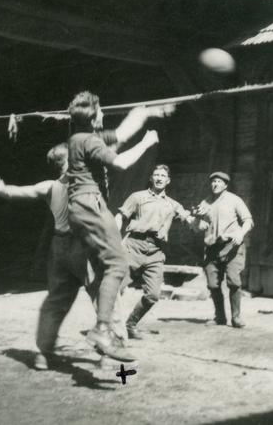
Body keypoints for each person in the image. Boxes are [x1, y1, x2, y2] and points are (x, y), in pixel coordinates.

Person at [66, 91, 175, 361]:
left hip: (80, 208)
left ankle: (107, 337)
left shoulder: (80, 138)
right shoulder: (89, 140)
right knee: (117, 266)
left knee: (105, 274)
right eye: (100, 111)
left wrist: (146, 111)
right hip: (91, 205)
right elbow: (122, 161)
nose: (103, 114)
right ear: (92, 119)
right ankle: (104, 330)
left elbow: (121, 134)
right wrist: (147, 143)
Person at [0, 143, 100, 370]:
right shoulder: (83, 184)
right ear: (70, 162)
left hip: (59, 247)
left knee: (55, 301)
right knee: (104, 294)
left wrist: (0, 189)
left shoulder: (48, 186)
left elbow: (20, 191)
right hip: (83, 245)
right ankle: (108, 352)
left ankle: (43, 353)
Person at [115, 164, 194, 339]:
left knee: (152, 295)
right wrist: (114, 230)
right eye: (156, 175)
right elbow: (121, 215)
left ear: (168, 180)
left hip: (156, 251)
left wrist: (195, 218)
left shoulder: (173, 204)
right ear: (151, 178)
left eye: (162, 176)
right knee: (115, 290)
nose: (159, 178)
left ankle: (131, 325)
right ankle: (107, 328)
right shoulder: (138, 197)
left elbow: (189, 219)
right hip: (133, 246)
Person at [193, 172, 253, 328]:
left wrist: (240, 233)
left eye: (219, 181)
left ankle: (236, 317)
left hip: (232, 246)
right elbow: (197, 228)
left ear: (225, 185)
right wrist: (198, 218)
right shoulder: (205, 202)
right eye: (213, 181)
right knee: (213, 285)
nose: (215, 184)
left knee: (233, 282)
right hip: (212, 248)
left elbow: (248, 220)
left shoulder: (234, 200)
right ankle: (220, 317)